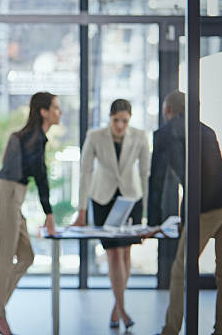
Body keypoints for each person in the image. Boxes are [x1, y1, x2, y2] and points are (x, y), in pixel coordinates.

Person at [155, 91, 222, 335]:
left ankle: (171, 330)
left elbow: (157, 181)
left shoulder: (166, 133)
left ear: (167, 110)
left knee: (180, 269)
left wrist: (151, 222)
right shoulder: (206, 130)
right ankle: (221, 330)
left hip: (207, 205)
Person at [0, 92, 61, 335]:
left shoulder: (34, 137)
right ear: (43, 112)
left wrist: (47, 212)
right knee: (5, 256)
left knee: (27, 256)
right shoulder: (32, 138)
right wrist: (48, 213)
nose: (59, 112)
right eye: (56, 108)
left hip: (14, 195)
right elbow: (40, 176)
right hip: (7, 193)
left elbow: (38, 175)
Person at [71, 99, 150, 330]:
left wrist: (144, 210)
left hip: (131, 198)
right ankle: (123, 311)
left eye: (125, 121)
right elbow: (85, 172)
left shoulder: (140, 136)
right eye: (116, 120)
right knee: (114, 254)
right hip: (102, 199)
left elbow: (145, 173)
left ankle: (117, 308)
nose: (120, 125)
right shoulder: (95, 136)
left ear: (130, 119)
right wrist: (82, 209)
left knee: (125, 254)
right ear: (110, 117)